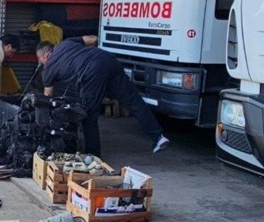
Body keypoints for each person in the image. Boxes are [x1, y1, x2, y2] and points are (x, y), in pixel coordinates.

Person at [36, 38, 169, 157]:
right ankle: (158, 136)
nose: (41, 63)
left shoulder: (48, 68)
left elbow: (47, 96)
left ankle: (93, 156)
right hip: (107, 59)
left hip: (91, 72)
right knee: (133, 101)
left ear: (45, 55)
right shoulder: (66, 43)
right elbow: (93, 39)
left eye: (40, 60)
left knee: (88, 114)